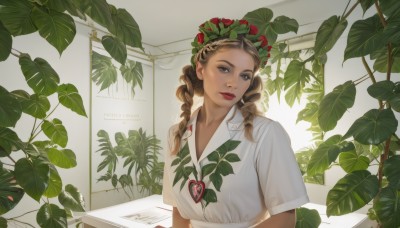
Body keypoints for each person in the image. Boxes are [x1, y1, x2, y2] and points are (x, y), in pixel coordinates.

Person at [162, 17, 309, 228]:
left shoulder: (266, 133)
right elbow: (179, 210)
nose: (233, 83)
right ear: (201, 69)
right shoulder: (175, 134)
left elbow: (285, 218)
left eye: (245, 75)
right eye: (224, 69)